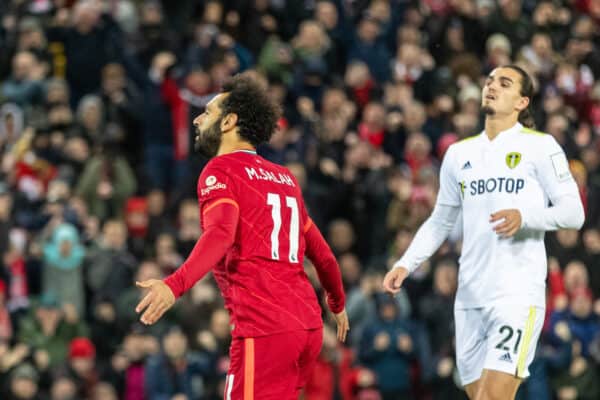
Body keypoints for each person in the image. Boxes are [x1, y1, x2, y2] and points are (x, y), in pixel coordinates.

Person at [134, 73, 349, 399]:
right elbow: (323, 255)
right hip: (308, 327)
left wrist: (173, 285)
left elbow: (220, 235)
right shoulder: (284, 178)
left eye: (207, 112)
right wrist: (336, 302)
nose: (197, 119)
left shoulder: (220, 171)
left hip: (266, 328)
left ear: (228, 122)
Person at [383, 65, 585, 400]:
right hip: (470, 295)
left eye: (504, 83)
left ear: (522, 101)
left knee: (492, 397)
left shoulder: (541, 146)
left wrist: (526, 216)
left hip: (517, 294)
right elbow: (440, 221)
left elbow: (574, 213)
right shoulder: (459, 154)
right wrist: (407, 262)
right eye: (489, 81)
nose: (491, 86)